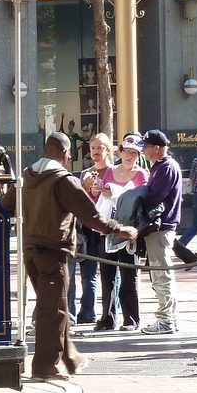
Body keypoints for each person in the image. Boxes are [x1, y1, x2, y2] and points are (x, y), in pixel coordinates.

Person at [3, 132, 135, 381]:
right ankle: (44, 366)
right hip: (53, 251)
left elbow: (6, 203)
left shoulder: (26, 176)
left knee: (55, 306)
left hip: (30, 250)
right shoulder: (63, 180)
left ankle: (70, 358)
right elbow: (90, 215)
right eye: (69, 154)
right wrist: (120, 229)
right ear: (64, 154)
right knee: (53, 310)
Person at [93, 135, 149, 331]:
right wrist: (98, 190)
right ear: (121, 152)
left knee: (128, 276)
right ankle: (107, 319)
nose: (130, 156)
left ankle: (131, 319)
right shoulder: (109, 171)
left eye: (134, 153)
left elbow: (138, 202)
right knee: (107, 276)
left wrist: (113, 194)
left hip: (128, 232)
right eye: (127, 151)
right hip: (107, 231)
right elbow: (101, 198)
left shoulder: (141, 175)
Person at [138, 129, 184, 335]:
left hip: (160, 227)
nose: (143, 151)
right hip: (161, 228)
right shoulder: (162, 166)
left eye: (146, 147)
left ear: (157, 148)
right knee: (161, 273)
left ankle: (166, 321)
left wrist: (137, 200)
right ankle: (169, 319)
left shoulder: (165, 168)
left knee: (161, 274)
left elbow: (155, 196)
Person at [74, 132, 115, 324]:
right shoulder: (86, 173)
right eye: (93, 148)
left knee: (110, 273)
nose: (96, 152)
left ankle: (111, 312)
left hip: (107, 226)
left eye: (100, 148)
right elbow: (80, 200)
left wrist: (105, 192)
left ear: (108, 151)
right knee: (87, 272)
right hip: (88, 228)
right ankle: (87, 311)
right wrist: (84, 187)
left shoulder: (114, 172)